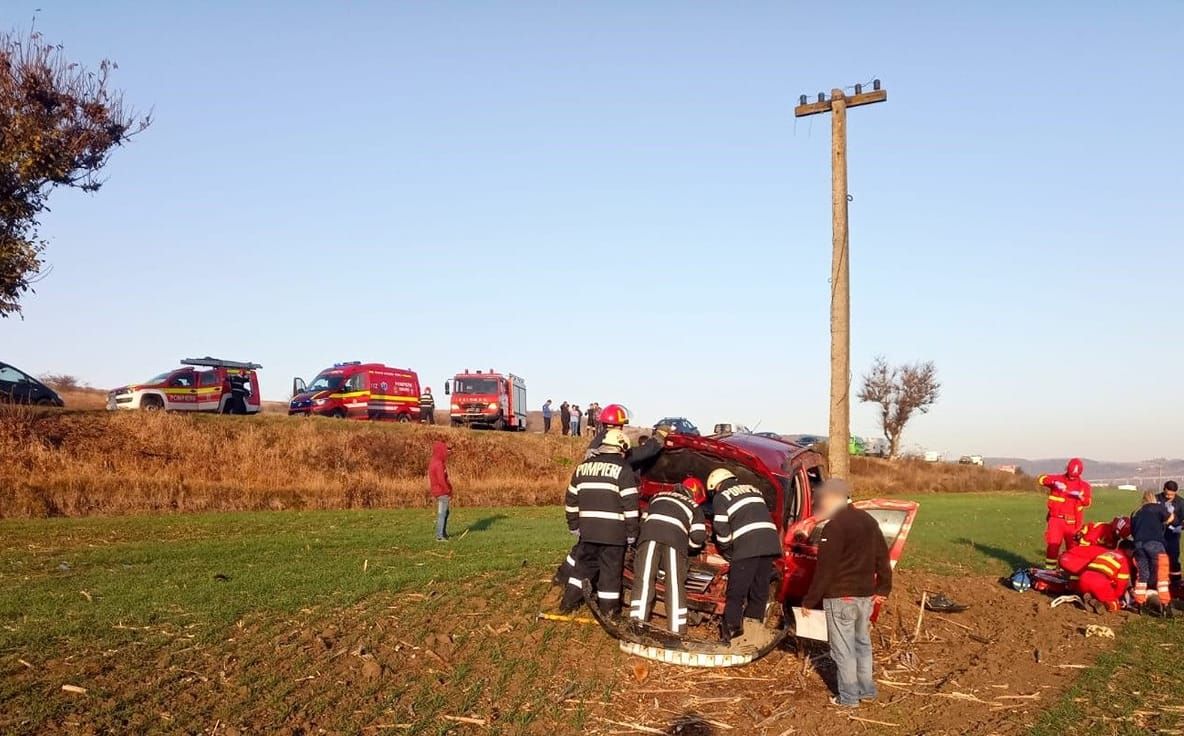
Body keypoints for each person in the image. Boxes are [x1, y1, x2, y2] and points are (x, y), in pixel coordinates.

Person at [801, 478, 893, 708]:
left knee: (843, 650)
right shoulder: (869, 521)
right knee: (862, 645)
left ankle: (849, 698)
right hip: (864, 598)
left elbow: (825, 569)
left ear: (834, 497)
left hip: (840, 597)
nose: (821, 504)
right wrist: (883, 588)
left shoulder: (834, 527)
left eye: (823, 499)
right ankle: (867, 691)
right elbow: (883, 558)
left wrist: (809, 601)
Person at [560, 428, 639, 616]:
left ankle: (567, 604)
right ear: (622, 449)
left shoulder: (582, 467)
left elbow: (571, 500)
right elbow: (630, 507)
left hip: (588, 532)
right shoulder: (624, 470)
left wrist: (574, 526)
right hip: (614, 535)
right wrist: (632, 533)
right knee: (610, 576)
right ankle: (609, 612)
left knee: (581, 570)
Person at [708, 467, 781, 644]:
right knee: (759, 591)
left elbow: (721, 529)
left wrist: (728, 551)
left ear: (716, 485)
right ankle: (752, 634)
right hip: (770, 543)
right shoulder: (754, 490)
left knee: (736, 593)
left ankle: (731, 635)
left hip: (748, 545)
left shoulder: (721, 496)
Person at [630, 477, 707, 633]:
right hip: (675, 541)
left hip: (649, 535)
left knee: (644, 579)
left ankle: (637, 624)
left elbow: (643, 521)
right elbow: (698, 537)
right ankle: (677, 630)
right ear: (695, 494)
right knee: (675, 584)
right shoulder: (694, 506)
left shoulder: (658, 496)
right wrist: (689, 548)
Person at [1038, 458, 1093, 569]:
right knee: (1053, 547)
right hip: (1055, 520)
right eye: (1071, 474)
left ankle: (1071, 573)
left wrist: (1082, 498)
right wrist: (1054, 482)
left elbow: (1088, 502)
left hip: (1072, 522)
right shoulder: (1058, 479)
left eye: (1075, 476)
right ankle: (1050, 572)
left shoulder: (1084, 486)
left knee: (1073, 549)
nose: (1072, 477)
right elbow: (1041, 479)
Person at [1131, 489, 1174, 609]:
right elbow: (1170, 518)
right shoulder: (1157, 507)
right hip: (1154, 543)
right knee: (1162, 573)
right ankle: (1165, 604)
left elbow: (1132, 531)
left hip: (1138, 545)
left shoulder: (1136, 512)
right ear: (1153, 499)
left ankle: (1139, 603)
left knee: (1142, 574)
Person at [1157, 481, 1184, 586]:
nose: (1169, 496)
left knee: (1173, 558)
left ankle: (1176, 582)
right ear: (1164, 489)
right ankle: (1159, 581)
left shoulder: (1181, 502)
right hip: (1158, 535)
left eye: (1172, 495)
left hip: (1173, 536)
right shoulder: (1157, 499)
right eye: (1167, 494)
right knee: (1159, 558)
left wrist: (1181, 526)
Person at [428, 441, 452, 541]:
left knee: (445, 512)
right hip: (441, 492)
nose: (447, 452)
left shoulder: (435, 461)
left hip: (439, 491)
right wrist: (447, 491)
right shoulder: (438, 464)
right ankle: (439, 536)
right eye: (445, 450)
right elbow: (441, 479)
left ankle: (443, 532)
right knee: (442, 514)